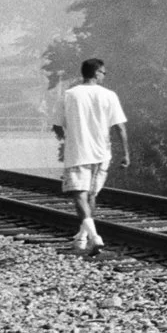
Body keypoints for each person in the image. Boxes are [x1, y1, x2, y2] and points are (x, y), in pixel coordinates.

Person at [51, 58, 129, 258]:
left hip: (78, 153)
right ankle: (82, 237)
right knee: (91, 196)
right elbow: (120, 126)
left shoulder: (69, 95)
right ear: (96, 73)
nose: (104, 75)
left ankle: (95, 237)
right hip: (102, 154)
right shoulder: (109, 95)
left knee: (79, 195)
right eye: (104, 72)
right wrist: (126, 153)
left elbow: (57, 125)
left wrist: (63, 133)